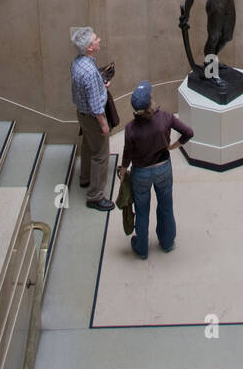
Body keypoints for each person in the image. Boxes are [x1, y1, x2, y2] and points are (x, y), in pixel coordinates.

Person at [117, 81, 194, 259]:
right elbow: (188, 132)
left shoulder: (131, 129)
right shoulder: (165, 118)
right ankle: (167, 242)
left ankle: (142, 249)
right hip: (163, 170)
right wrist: (174, 146)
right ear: (150, 101)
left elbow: (127, 154)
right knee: (166, 206)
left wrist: (122, 171)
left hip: (141, 173)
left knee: (142, 211)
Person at [70, 26, 115, 212]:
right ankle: (95, 196)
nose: (99, 40)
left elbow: (85, 90)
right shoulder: (89, 72)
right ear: (89, 47)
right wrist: (104, 125)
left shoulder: (78, 63)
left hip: (82, 113)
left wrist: (101, 84)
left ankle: (85, 178)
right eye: (96, 39)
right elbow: (96, 106)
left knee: (88, 145)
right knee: (101, 155)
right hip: (93, 117)